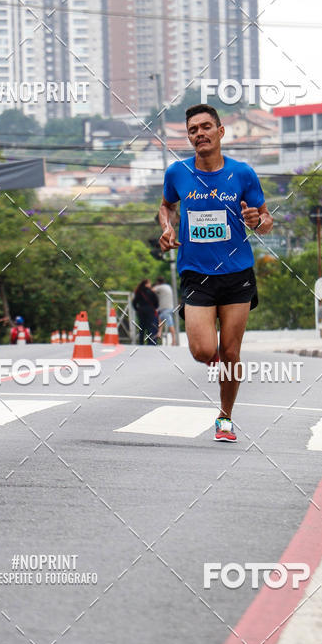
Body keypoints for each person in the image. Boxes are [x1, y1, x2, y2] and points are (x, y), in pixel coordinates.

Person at [158, 103, 273, 442]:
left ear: (220, 132)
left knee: (232, 353)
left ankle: (225, 417)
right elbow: (166, 205)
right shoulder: (177, 173)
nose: (199, 134)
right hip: (197, 273)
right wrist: (166, 227)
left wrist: (257, 221)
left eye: (206, 127)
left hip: (237, 273)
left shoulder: (242, 174)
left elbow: (266, 219)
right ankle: (218, 360)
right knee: (205, 351)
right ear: (189, 137)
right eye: (193, 130)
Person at [132, 279, 159, 345]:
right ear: (146, 284)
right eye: (149, 283)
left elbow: (134, 302)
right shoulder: (151, 292)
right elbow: (156, 302)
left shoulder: (139, 292)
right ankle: (150, 342)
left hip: (141, 310)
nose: (150, 285)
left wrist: (137, 309)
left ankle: (141, 342)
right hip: (150, 310)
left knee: (141, 326)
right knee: (150, 326)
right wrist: (153, 308)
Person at [153, 276, 177, 346]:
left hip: (166, 308)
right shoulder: (168, 286)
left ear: (158, 282)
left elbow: (152, 290)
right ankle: (159, 333)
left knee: (170, 323)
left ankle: (174, 341)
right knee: (160, 318)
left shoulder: (160, 287)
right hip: (168, 308)